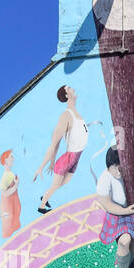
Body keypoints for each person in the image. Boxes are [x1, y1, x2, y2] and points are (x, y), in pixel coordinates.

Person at [35, 85, 89, 214]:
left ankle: (45, 196)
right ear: (66, 95)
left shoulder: (76, 113)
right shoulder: (66, 116)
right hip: (68, 158)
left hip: (77, 157)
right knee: (56, 185)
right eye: (69, 88)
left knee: (62, 183)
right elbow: (54, 143)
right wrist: (42, 166)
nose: (72, 88)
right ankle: (42, 206)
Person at [0, 149, 21, 238]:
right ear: (5, 161)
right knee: (8, 227)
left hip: (12, 205)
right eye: (11, 157)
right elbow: (4, 193)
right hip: (7, 207)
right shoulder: (5, 176)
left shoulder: (10, 174)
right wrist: (16, 185)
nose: (13, 158)